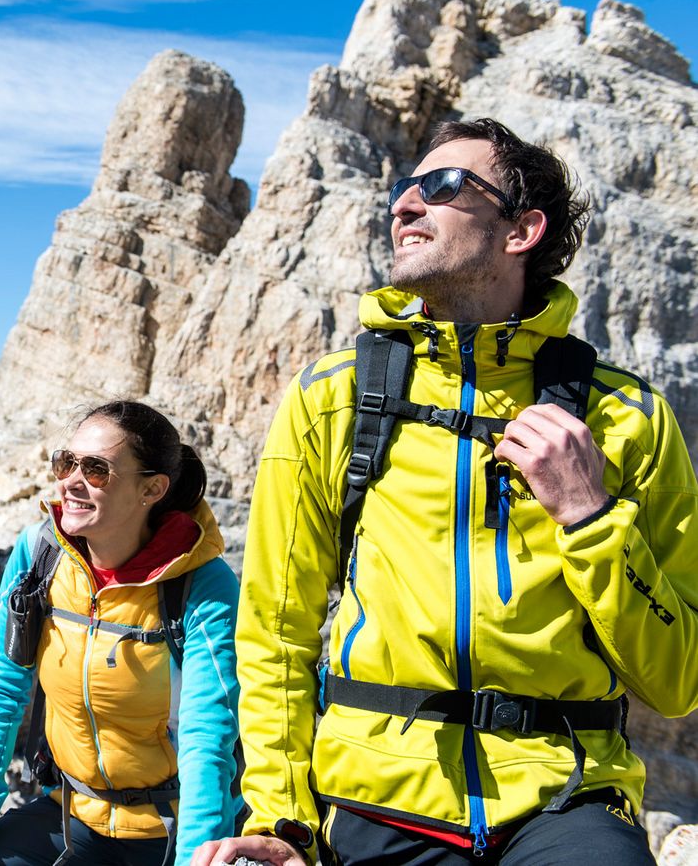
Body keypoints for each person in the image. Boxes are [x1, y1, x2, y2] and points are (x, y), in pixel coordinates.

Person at [194, 118, 698, 866]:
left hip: (566, 801)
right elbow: (276, 630)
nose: (405, 205)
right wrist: (282, 820)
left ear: (521, 229)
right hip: (376, 802)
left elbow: (677, 677)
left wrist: (589, 517)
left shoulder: (626, 416)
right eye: (404, 189)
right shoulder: (333, 397)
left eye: (441, 187)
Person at [0, 400, 241, 866]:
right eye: (66, 462)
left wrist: (196, 856)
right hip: (69, 816)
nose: (70, 480)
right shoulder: (39, 556)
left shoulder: (202, 583)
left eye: (96, 469)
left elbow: (210, 733)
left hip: (173, 829)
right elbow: (3, 691)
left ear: (152, 489)